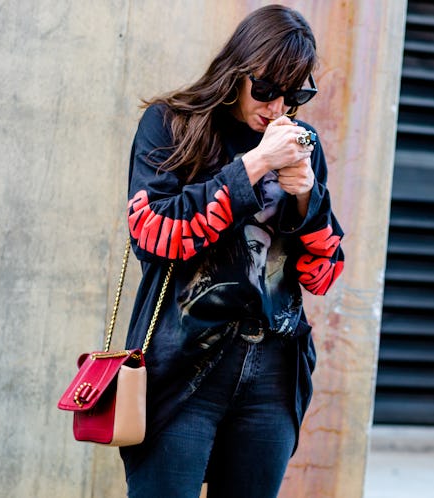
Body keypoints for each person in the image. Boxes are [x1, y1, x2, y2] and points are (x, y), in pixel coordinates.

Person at [120, 5, 345, 497]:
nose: (277, 107)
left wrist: (308, 198)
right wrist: (255, 165)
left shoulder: (303, 147)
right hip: (182, 366)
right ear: (237, 70)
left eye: (295, 94)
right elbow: (152, 233)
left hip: (271, 372)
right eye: (265, 89)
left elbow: (322, 276)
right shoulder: (172, 124)